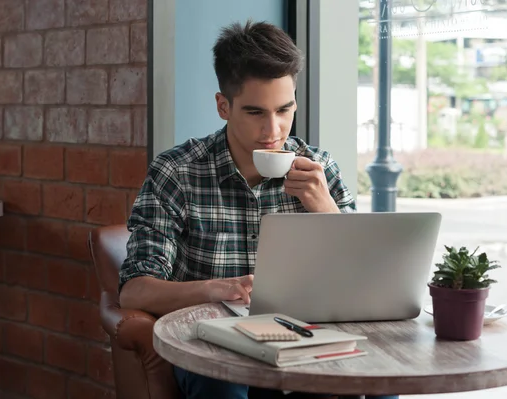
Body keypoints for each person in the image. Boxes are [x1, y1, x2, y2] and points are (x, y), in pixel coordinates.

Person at [118, 20, 399, 399]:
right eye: (255, 113)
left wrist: (326, 208)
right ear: (223, 106)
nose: (274, 130)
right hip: (211, 343)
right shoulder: (178, 173)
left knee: (381, 380)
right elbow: (134, 291)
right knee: (221, 384)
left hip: (303, 338)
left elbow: (368, 283)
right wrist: (218, 290)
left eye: (285, 110)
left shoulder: (319, 169)